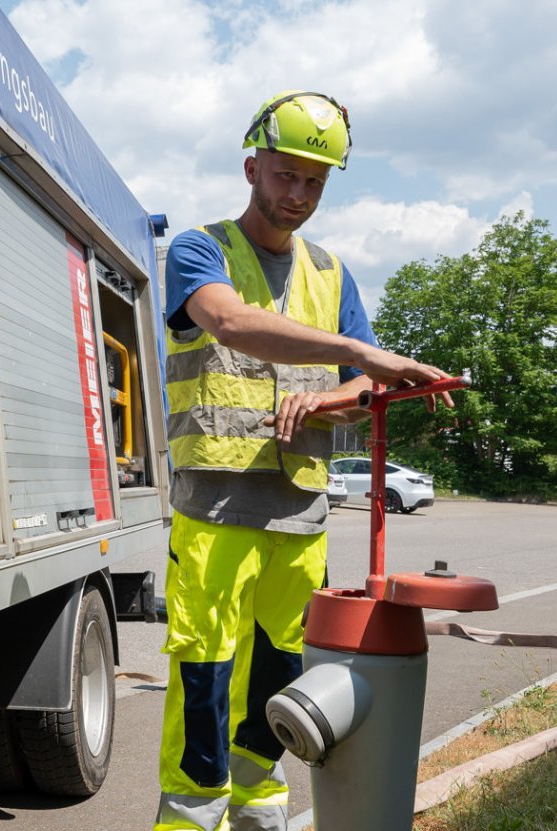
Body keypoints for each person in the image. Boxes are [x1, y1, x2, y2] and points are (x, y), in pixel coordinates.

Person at [154, 91, 451, 831]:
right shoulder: (200, 249)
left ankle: (260, 815)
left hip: (303, 515)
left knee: (282, 681)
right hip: (216, 508)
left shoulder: (332, 272)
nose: (298, 195)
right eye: (286, 175)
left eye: (315, 182)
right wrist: (356, 352)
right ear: (253, 166)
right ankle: (192, 821)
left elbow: (360, 389)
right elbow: (228, 319)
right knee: (205, 678)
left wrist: (332, 400)